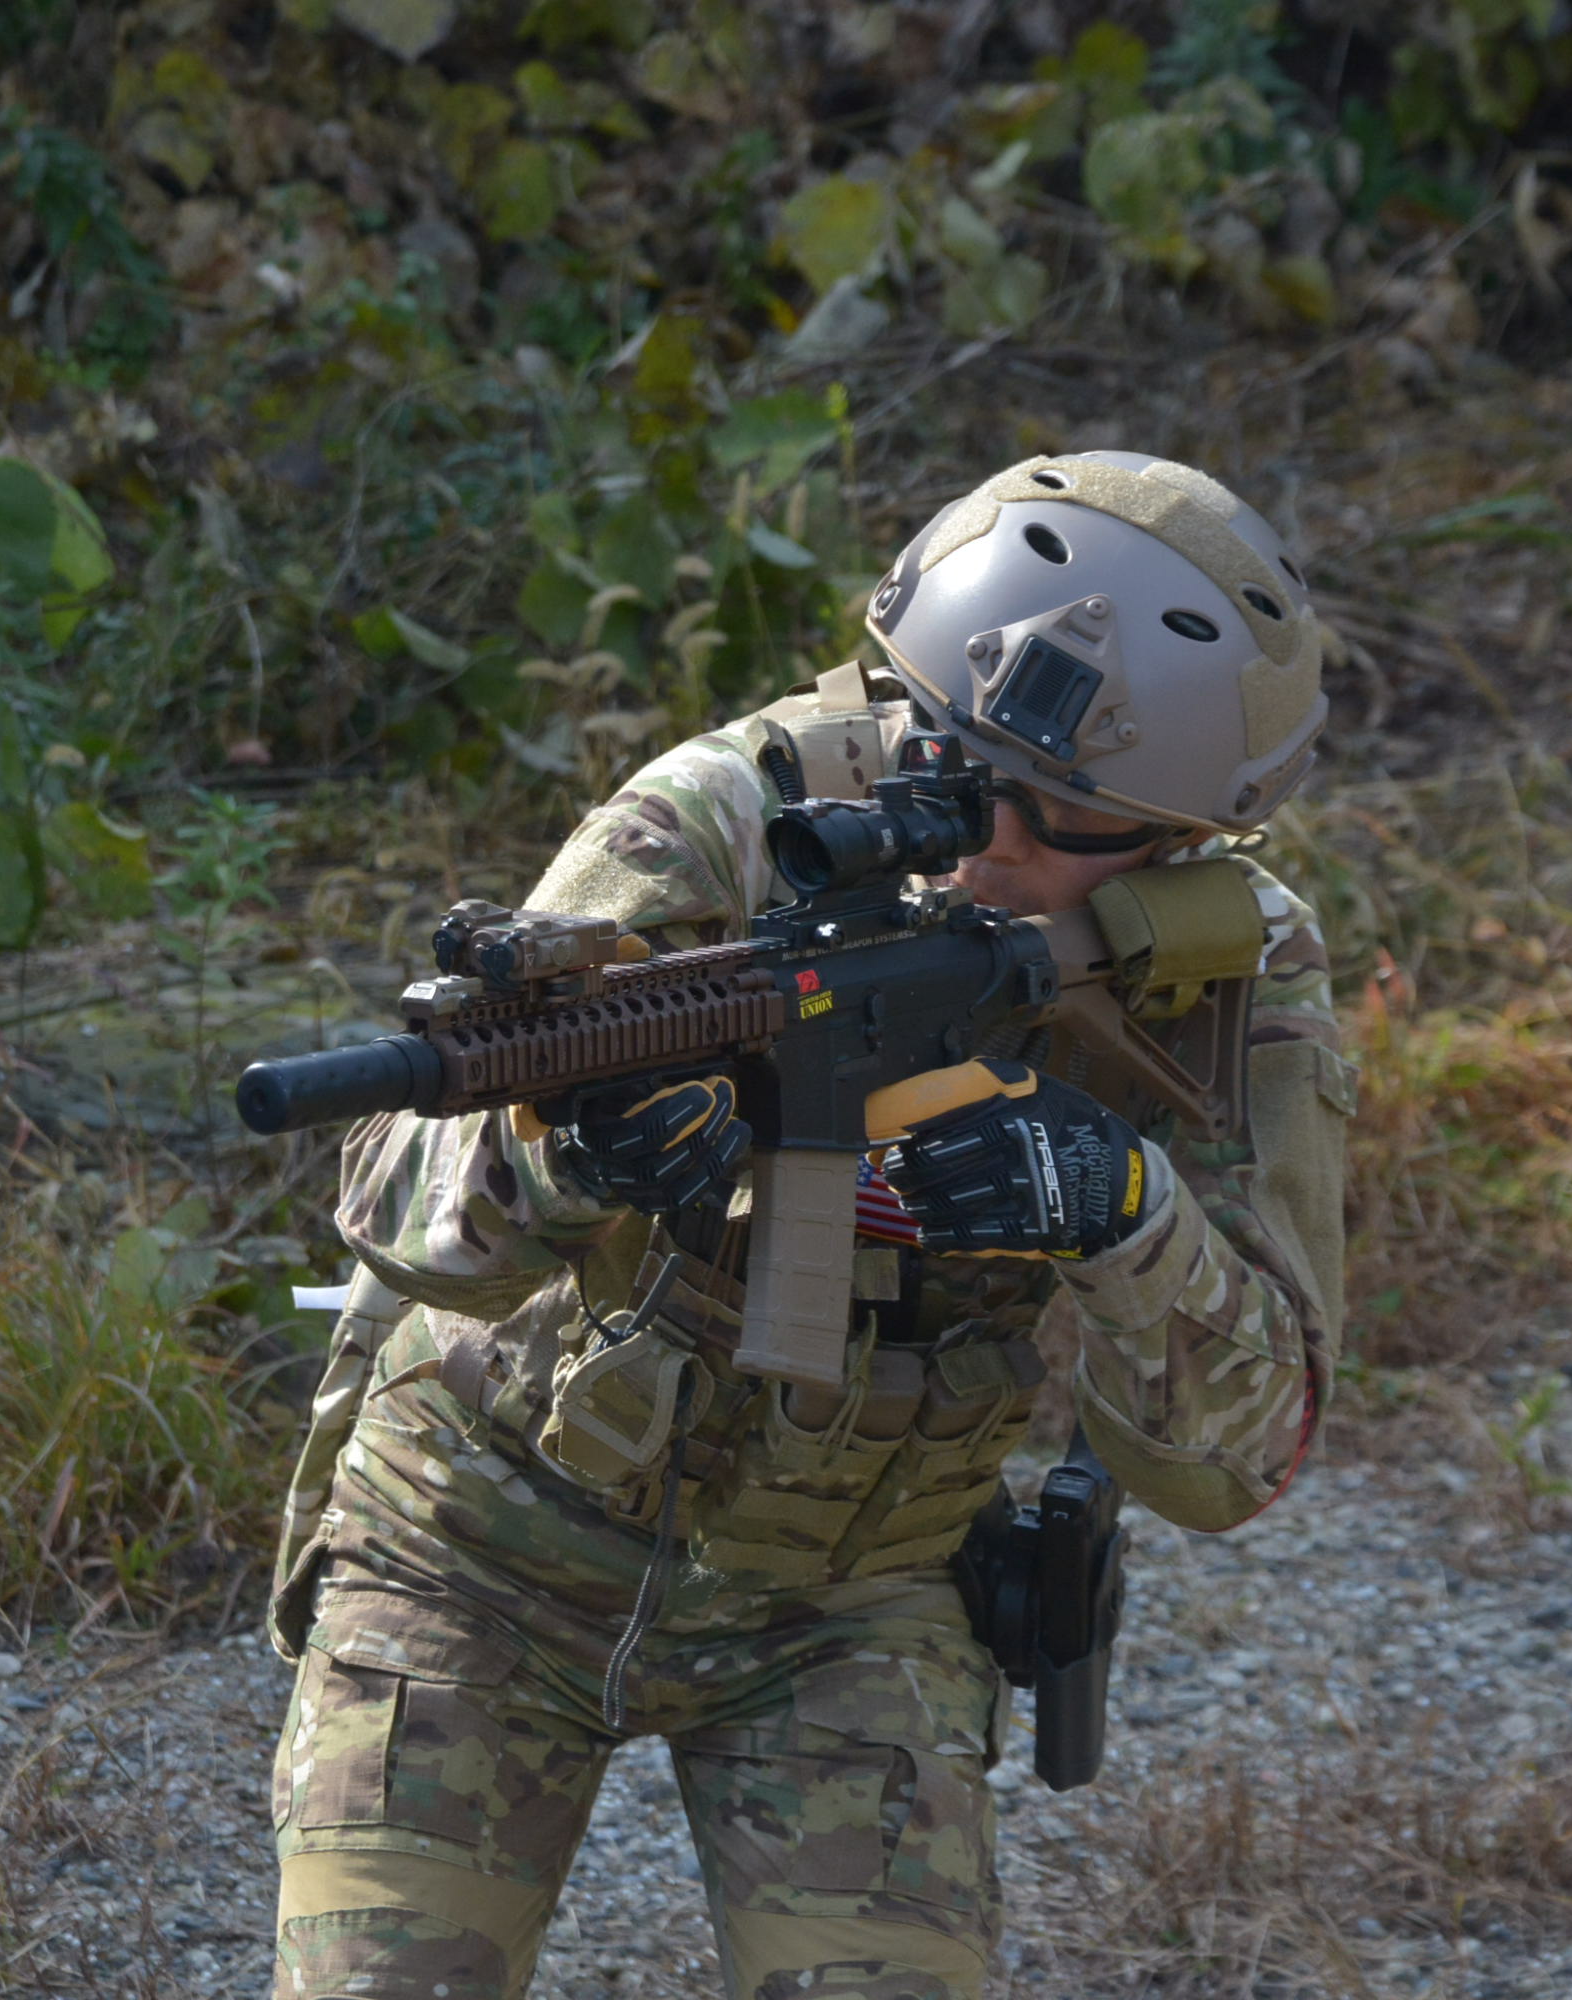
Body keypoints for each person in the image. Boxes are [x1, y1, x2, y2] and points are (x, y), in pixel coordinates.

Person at [263, 451, 1352, 2000]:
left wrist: (1122, 1210)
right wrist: (561, 1150)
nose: (994, 840)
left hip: (846, 1597)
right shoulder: (723, 818)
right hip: (481, 1550)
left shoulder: (1226, 964)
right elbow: (393, 1208)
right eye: (958, 766)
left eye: (1071, 816)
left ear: (1184, 836)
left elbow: (1236, 1461)